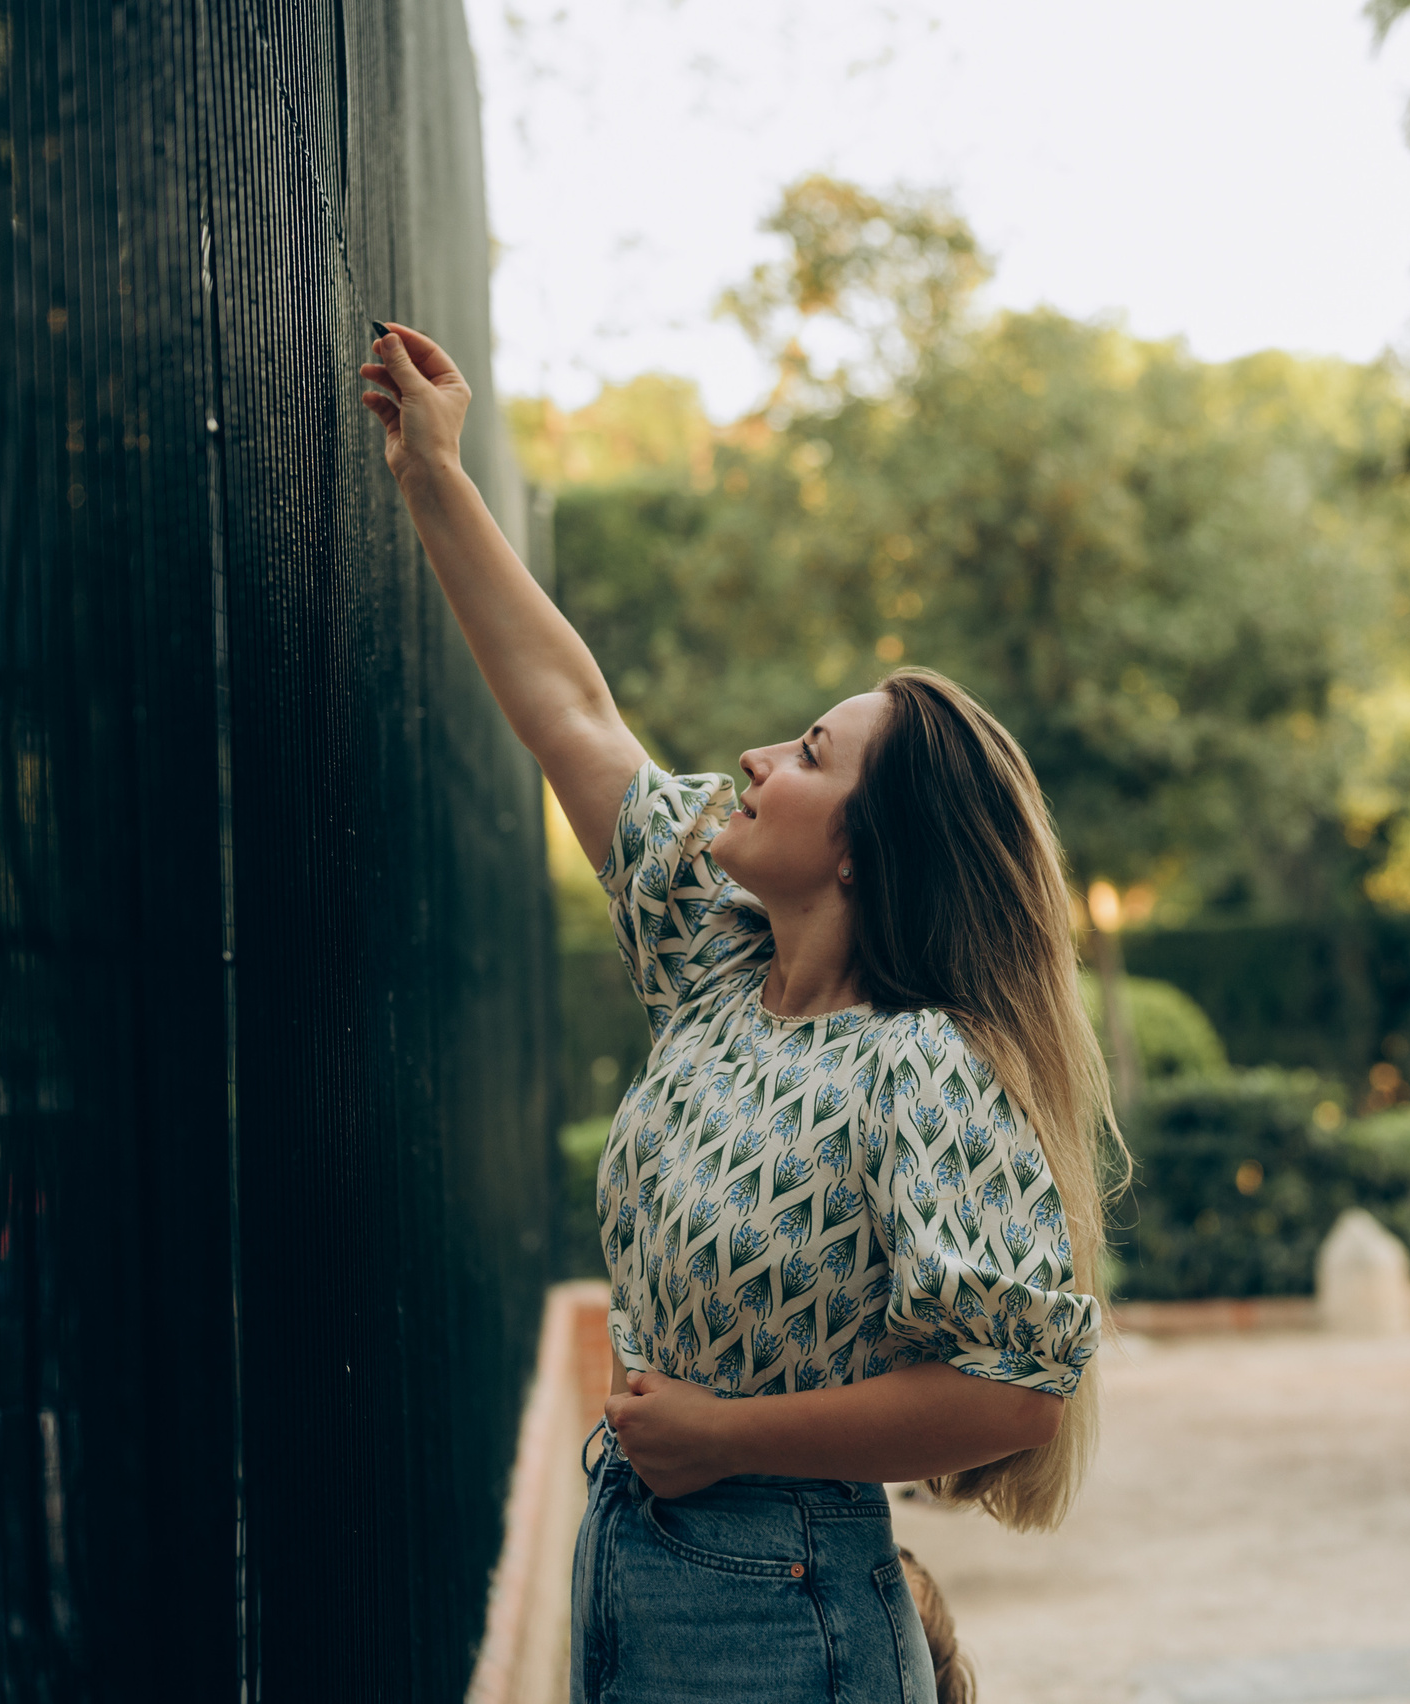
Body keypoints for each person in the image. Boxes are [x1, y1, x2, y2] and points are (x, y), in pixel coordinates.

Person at [359, 324, 1114, 1704]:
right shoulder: (713, 973)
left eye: (810, 753)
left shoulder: (920, 1070)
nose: (758, 757)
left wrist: (727, 1434)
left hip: (782, 1601)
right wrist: (432, 474)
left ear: (861, 853)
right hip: (637, 1564)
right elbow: (571, 715)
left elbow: (1015, 1386)